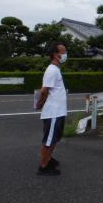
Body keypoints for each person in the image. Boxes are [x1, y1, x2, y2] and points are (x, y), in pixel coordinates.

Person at [36, 42, 68, 176]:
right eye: (63, 52)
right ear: (56, 55)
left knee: (54, 138)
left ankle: (48, 159)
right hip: (53, 112)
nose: (66, 54)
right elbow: (44, 91)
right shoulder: (52, 70)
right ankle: (43, 167)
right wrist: (40, 103)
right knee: (49, 140)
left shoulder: (56, 69)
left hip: (58, 111)